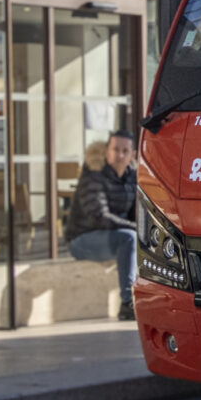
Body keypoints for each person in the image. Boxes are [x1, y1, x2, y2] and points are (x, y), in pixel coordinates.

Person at [68, 131, 139, 321]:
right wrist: (133, 227)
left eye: (125, 151)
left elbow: (138, 215)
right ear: (107, 151)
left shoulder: (133, 177)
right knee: (130, 238)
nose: (120, 155)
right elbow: (98, 217)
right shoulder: (94, 174)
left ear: (132, 155)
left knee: (144, 238)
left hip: (116, 237)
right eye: (115, 149)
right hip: (83, 240)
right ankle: (127, 304)